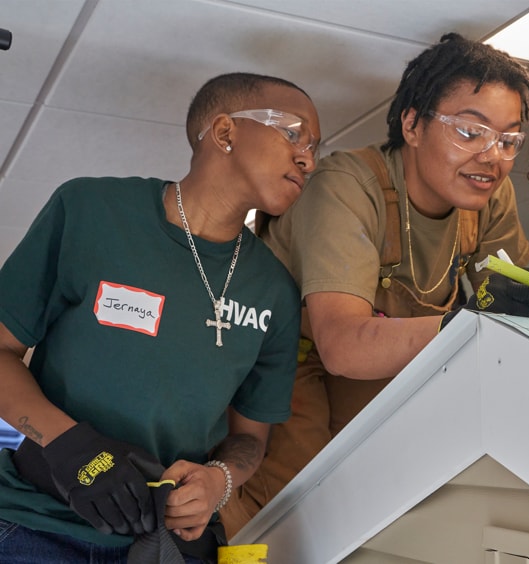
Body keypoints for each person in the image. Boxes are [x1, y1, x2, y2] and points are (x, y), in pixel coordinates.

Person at [220, 32, 529, 536]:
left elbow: (515, 314)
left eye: (508, 141)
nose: (493, 157)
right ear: (413, 125)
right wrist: (468, 322)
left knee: (407, 484)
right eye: (470, 132)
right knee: (296, 508)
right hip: (290, 357)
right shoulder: (347, 184)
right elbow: (344, 348)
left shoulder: (491, 196)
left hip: (391, 353)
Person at [0, 72, 320, 562]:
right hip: (39, 526)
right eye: (293, 133)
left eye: (316, 147)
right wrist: (70, 446)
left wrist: (221, 479)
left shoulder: (276, 292)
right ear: (225, 132)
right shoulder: (90, 211)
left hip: (162, 546)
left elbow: (249, 441)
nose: (308, 158)